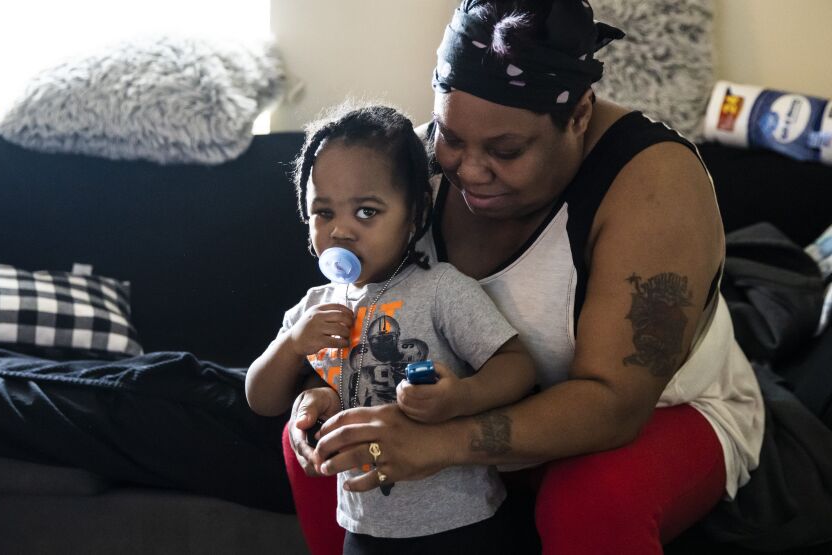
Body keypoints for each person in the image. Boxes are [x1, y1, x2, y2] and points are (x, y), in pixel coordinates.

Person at [283, 1, 765, 554]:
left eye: (506, 150)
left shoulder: (654, 184)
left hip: (666, 411)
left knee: (590, 500)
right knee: (331, 449)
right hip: (465, 410)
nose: (468, 169)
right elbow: (355, 316)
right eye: (451, 136)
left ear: (580, 114)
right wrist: (320, 395)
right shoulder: (410, 170)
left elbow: (615, 405)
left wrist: (440, 443)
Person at [245, 103, 536, 553]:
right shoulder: (311, 309)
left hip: (461, 522)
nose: (340, 230)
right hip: (365, 528)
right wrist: (292, 347)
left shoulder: (441, 289)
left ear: (415, 214)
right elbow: (260, 398)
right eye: (323, 213)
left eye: (366, 212)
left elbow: (517, 366)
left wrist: (461, 396)